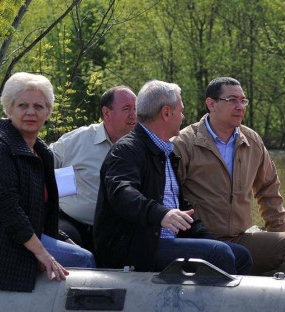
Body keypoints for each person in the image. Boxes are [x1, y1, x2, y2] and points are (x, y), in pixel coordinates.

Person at [94, 80, 253, 275]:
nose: (183, 117)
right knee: (218, 254)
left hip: (160, 243)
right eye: (181, 111)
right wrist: (161, 214)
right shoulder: (127, 150)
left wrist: (208, 238)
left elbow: (182, 209)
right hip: (130, 249)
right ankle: (211, 306)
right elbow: (121, 193)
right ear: (166, 113)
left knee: (240, 255)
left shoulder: (166, 152)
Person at [0, 72, 95, 292]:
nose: (31, 112)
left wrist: (61, 239)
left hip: (21, 236)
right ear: (9, 109)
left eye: (38, 106)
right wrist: (41, 251)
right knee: (85, 260)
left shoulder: (42, 152)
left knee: (80, 249)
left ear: (48, 112)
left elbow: (38, 210)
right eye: (22, 105)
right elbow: (7, 209)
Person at [172, 77, 285, 277]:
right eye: (232, 100)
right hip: (199, 242)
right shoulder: (184, 142)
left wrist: (275, 236)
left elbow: (269, 190)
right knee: (224, 256)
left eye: (243, 101)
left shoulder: (252, 141)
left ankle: (276, 306)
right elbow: (167, 196)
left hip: (239, 239)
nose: (240, 107)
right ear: (211, 104)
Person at [50, 86, 137, 255]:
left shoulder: (141, 146)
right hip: (72, 224)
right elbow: (42, 166)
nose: (134, 115)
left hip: (116, 230)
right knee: (69, 252)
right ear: (106, 113)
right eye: (127, 109)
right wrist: (59, 190)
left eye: (135, 109)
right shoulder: (78, 141)